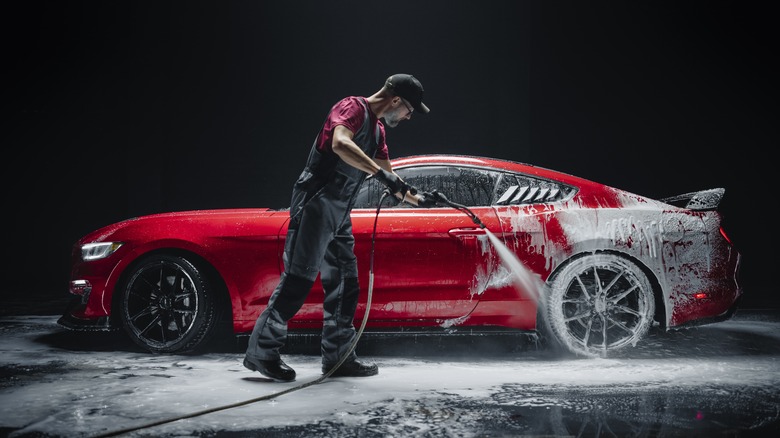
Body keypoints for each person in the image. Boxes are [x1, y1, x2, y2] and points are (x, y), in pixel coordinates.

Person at [244, 73, 436, 381]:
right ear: (396, 99)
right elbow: (340, 143)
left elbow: (390, 178)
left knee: (347, 283)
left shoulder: (378, 132)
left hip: (339, 213)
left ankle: (338, 358)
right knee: (298, 280)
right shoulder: (352, 108)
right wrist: (382, 175)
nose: (409, 116)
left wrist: (420, 198)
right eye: (409, 110)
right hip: (315, 204)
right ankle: (261, 352)